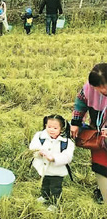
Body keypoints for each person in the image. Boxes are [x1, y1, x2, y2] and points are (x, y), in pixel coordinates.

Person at [71, 63, 107, 204]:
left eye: (105, 86)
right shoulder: (89, 89)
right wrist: (76, 122)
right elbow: (80, 102)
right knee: (100, 159)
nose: (102, 90)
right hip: (98, 131)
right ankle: (101, 188)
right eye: (99, 87)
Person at [29, 115, 74, 211]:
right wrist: (39, 151)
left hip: (57, 171)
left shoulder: (66, 142)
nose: (51, 130)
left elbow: (67, 157)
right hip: (44, 168)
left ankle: (55, 203)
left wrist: (54, 158)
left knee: (55, 187)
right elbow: (33, 146)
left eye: (55, 128)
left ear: (61, 129)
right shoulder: (40, 136)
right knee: (45, 183)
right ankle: (45, 196)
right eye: (49, 127)